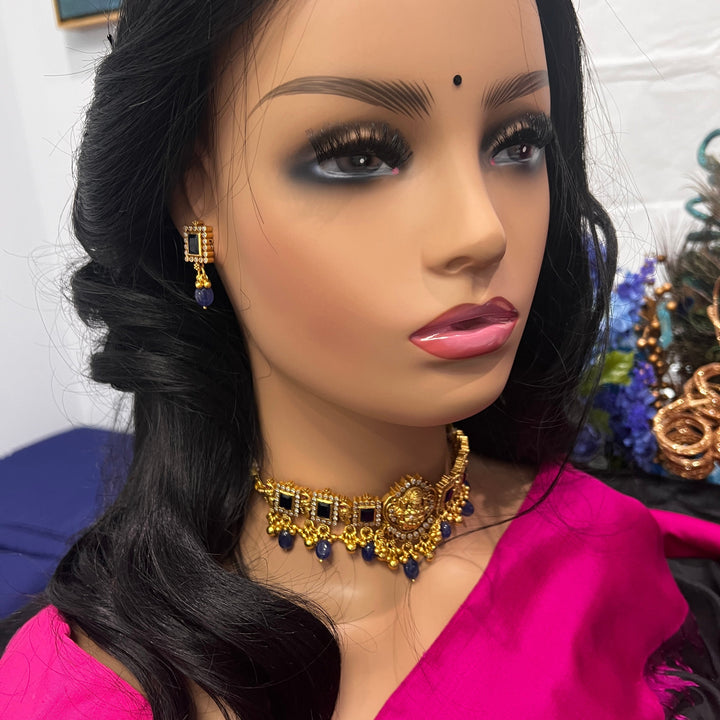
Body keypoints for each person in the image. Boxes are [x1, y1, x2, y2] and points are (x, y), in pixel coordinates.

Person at [1, 0, 719, 718]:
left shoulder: (603, 546)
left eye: (517, 143)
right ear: (194, 194)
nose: (482, 230)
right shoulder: (87, 693)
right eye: (359, 156)